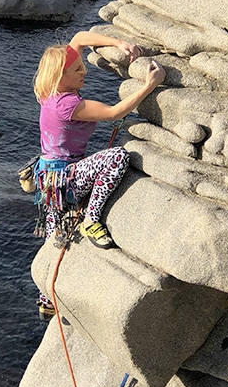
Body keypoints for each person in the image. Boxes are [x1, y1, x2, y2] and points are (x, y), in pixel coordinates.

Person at [33, 30, 165, 251]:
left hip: (49, 181)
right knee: (117, 157)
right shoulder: (65, 105)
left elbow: (79, 39)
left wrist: (120, 43)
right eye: (77, 70)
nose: (83, 71)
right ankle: (90, 220)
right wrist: (149, 85)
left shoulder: (47, 90)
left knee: (54, 240)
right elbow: (114, 113)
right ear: (60, 75)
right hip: (64, 181)